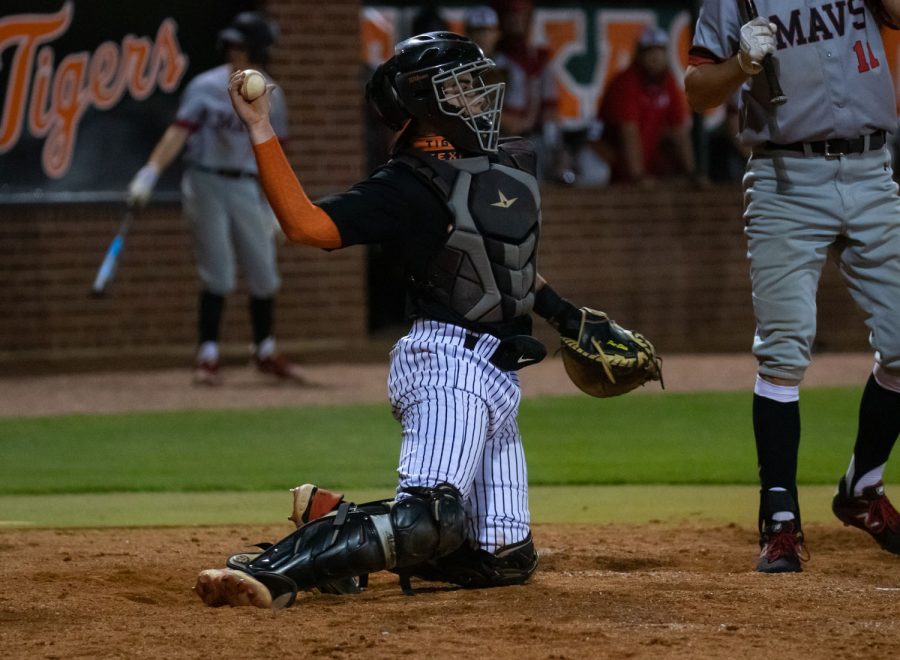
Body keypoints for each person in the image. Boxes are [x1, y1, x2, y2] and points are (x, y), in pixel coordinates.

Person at [192, 31, 656, 608]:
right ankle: (271, 569)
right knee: (428, 518)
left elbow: (502, 269)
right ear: (424, 103)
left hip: (500, 375)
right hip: (446, 364)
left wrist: (567, 317)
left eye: (477, 84)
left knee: (505, 560)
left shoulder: (506, 165)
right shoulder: (406, 184)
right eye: (460, 88)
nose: (479, 97)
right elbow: (306, 226)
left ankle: (334, 523)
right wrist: (260, 125)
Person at [685, 1, 900, 572]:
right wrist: (740, 64)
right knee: (784, 349)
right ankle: (779, 520)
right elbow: (697, 91)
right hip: (787, 180)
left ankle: (863, 487)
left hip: (873, 170)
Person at [127, 11, 303, 386]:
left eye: (241, 45)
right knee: (218, 273)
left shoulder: (273, 95)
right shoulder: (205, 86)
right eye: (231, 44)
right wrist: (150, 171)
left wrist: (278, 206)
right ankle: (207, 354)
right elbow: (178, 133)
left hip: (248, 186)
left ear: (257, 49)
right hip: (206, 181)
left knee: (265, 272)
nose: (234, 51)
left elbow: (276, 154)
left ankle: (265, 350)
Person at [598, 26, 696, 186]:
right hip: (607, 158)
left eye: (660, 51)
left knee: (671, 156)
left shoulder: (668, 82)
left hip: (645, 160)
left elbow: (680, 130)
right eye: (649, 51)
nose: (655, 57)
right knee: (595, 172)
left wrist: (691, 173)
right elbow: (628, 131)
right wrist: (638, 176)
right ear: (639, 54)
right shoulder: (626, 81)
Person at [491, 0, 559, 176]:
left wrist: (555, 145)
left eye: (521, 14)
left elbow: (550, 111)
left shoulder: (539, 57)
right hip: (499, 141)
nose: (516, 21)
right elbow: (512, 124)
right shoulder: (494, 59)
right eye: (511, 15)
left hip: (535, 140)